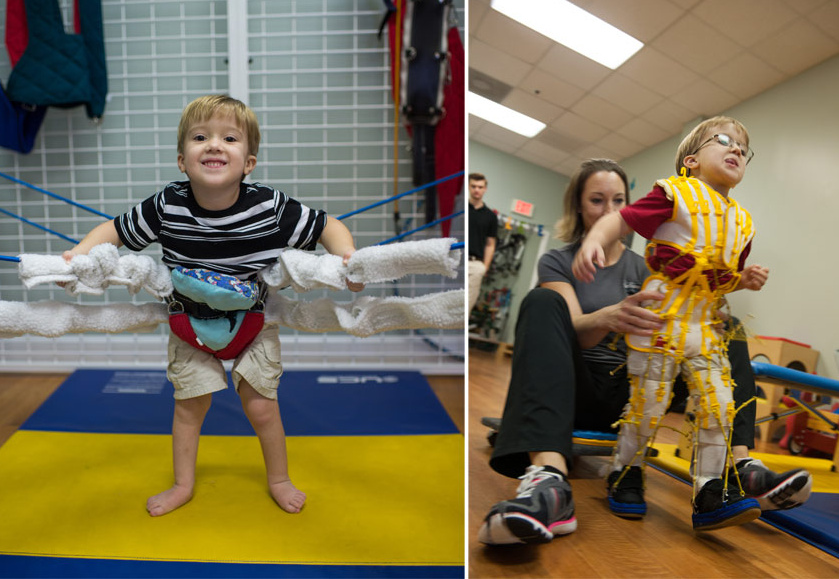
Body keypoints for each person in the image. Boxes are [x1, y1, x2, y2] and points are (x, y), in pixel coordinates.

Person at [478, 157, 811, 545]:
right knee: (540, 302)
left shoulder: (653, 265)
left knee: (729, 330)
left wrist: (716, 311)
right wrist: (607, 316)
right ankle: (550, 486)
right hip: (575, 389)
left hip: (641, 390)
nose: (610, 211)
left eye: (619, 200)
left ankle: (739, 467)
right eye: (597, 201)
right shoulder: (559, 261)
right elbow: (574, 332)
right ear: (579, 207)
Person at [61, 95, 364, 517]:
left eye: (229, 138)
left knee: (261, 406)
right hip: (191, 322)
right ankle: (183, 484)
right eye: (200, 137)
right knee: (190, 406)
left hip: (254, 320)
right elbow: (114, 230)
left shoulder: (270, 206)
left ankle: (279, 478)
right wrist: (80, 254)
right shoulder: (167, 204)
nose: (214, 145)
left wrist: (345, 256)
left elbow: (327, 225)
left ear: (249, 162)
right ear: (183, 160)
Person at [572, 117, 780, 531]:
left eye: (743, 148)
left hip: (704, 325)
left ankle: (709, 491)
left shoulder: (743, 223)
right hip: (659, 318)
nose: (737, 149)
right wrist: (595, 239)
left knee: (720, 405)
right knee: (649, 403)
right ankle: (625, 473)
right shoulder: (674, 194)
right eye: (724, 141)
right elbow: (622, 221)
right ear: (691, 160)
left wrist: (745, 281)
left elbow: (722, 277)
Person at [467, 172, 498, 311]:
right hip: (456, 260)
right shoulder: (461, 209)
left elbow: (490, 244)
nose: (476, 190)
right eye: (473, 186)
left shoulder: (491, 216)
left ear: (485, 189)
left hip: (476, 265)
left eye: (480, 187)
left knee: (466, 307)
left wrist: (484, 268)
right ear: (468, 186)